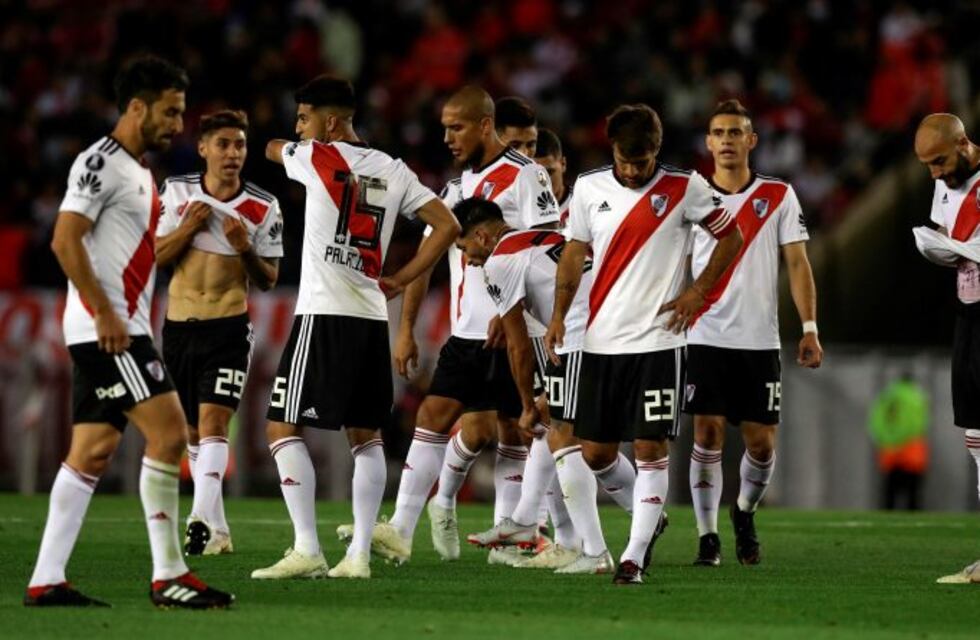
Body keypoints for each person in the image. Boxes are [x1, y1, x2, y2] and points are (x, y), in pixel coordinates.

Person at [24, 56, 233, 609]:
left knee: (92, 451)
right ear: (136, 107)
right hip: (109, 330)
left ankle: (46, 579)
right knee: (169, 433)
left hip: (118, 326)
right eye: (169, 111)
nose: (177, 124)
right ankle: (169, 575)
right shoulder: (100, 162)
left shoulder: (140, 173)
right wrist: (107, 314)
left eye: (181, 112)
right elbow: (65, 239)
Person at [250, 75, 459, 580]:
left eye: (305, 118)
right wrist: (405, 276)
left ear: (330, 122)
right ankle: (360, 555)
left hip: (323, 313)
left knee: (280, 426)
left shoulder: (316, 156)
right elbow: (448, 225)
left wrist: (285, 143)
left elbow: (271, 149)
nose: (299, 129)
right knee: (366, 438)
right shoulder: (394, 169)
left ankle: (307, 548)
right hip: (370, 316)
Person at [363, 86, 561, 567]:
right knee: (431, 418)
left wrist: (508, 309)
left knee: (515, 432)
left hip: (516, 329)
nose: (448, 137)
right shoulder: (452, 191)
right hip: (466, 333)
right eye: (445, 128)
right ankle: (402, 529)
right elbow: (428, 259)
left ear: (485, 125)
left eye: (457, 127)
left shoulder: (525, 176)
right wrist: (405, 327)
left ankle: (510, 539)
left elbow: (549, 242)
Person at [548, 104, 743, 584]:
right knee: (593, 453)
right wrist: (557, 316)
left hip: (659, 343)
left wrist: (699, 291)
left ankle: (632, 557)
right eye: (625, 160)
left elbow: (732, 236)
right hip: (599, 343)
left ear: (657, 149)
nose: (633, 171)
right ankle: (649, 515)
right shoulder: (591, 188)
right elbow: (574, 254)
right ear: (611, 148)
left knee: (652, 447)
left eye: (642, 161)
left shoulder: (685, 188)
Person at [684, 99, 822, 567]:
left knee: (761, 444)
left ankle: (743, 511)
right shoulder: (691, 196)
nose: (726, 140)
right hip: (703, 333)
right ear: (708, 142)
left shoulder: (779, 196)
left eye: (735, 132)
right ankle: (707, 537)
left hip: (758, 340)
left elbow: (798, 263)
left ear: (751, 140)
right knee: (706, 434)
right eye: (718, 132)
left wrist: (809, 327)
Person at [454, 197, 621, 573]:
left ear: (482, 236)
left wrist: (527, 404)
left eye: (464, 248)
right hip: (615, 328)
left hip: (581, 334)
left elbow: (517, 345)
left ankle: (596, 553)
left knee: (563, 436)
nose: (468, 259)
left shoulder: (499, 261)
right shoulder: (544, 236)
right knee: (580, 439)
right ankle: (529, 518)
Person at [156, 109, 283, 556]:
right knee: (191, 432)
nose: (233, 153)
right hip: (177, 329)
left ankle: (197, 520)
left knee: (213, 425)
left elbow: (268, 278)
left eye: (240, 145)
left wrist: (245, 248)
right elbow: (154, 255)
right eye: (224, 144)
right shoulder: (177, 192)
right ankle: (220, 529)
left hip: (228, 329)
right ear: (204, 147)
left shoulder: (262, 206)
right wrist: (188, 228)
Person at [912, 113, 980, 584]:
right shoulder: (943, 185)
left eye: (939, 160)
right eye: (926, 165)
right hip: (968, 314)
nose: (934, 172)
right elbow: (949, 240)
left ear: (963, 143)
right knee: (976, 434)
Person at [867, 374, 929, 510]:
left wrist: (887, 439)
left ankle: (885, 522)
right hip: (910, 451)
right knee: (912, 493)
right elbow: (917, 424)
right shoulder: (916, 396)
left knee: (889, 491)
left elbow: (876, 421)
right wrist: (902, 440)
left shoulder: (886, 396)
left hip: (889, 450)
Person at [534, 128, 573, 228]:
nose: (543, 181)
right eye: (535, 174)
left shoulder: (585, 206)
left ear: (563, 164)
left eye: (549, 172)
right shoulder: (514, 210)